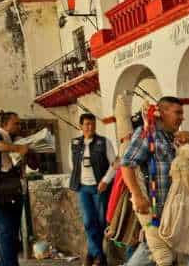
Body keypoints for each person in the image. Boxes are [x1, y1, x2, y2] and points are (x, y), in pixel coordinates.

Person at [121, 97, 189, 266]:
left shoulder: (175, 138)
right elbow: (126, 164)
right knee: (154, 252)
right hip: (157, 211)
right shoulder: (148, 133)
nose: (182, 117)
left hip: (179, 211)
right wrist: (137, 195)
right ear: (162, 112)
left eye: (182, 113)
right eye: (178, 113)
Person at [0, 111, 30, 266]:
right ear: (5, 124)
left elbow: (33, 164)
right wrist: (17, 148)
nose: (19, 126)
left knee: (11, 232)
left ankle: (5, 263)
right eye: (15, 123)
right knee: (6, 230)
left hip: (14, 190)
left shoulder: (15, 139)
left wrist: (29, 152)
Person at [69, 113, 116, 266]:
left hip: (99, 188)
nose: (90, 127)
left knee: (101, 222)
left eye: (93, 124)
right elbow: (73, 165)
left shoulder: (104, 142)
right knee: (89, 221)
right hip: (82, 187)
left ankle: (91, 253)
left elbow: (114, 164)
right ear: (80, 126)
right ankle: (99, 257)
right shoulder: (74, 143)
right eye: (87, 124)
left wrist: (106, 180)